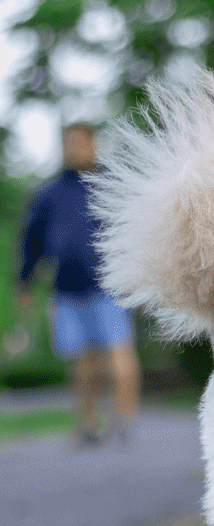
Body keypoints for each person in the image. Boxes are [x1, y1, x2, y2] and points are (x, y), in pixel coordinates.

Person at [16, 122, 140, 447]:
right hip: (67, 289)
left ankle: (123, 420)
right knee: (82, 360)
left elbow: (133, 231)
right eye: (71, 143)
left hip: (108, 286)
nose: (77, 149)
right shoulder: (50, 194)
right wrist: (25, 281)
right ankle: (88, 422)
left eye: (82, 143)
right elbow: (32, 240)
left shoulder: (110, 184)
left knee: (118, 353)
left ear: (92, 145)